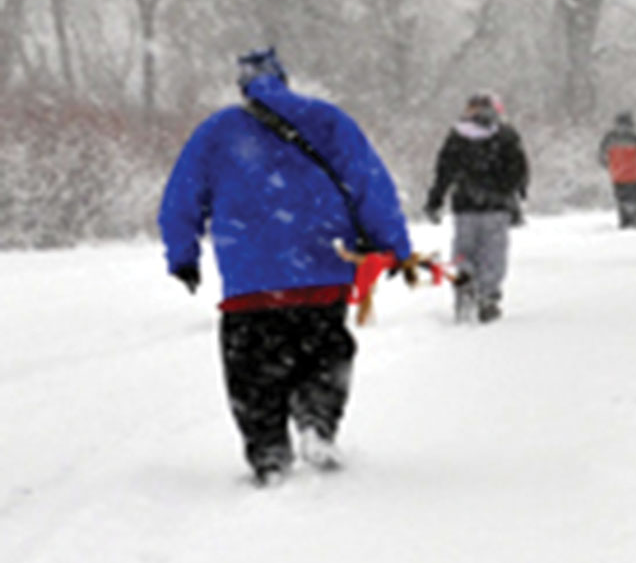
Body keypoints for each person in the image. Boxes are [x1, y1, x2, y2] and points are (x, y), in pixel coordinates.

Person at [158, 47, 413, 484]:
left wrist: (183, 255)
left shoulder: (217, 131)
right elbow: (370, 183)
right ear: (285, 79)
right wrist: (395, 245)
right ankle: (318, 424)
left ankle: (270, 453)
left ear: (243, 87)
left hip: (251, 282)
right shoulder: (327, 120)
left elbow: (181, 198)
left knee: (252, 372)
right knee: (325, 354)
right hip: (322, 271)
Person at [425, 92, 529, 322]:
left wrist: (435, 200)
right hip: (496, 206)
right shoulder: (506, 135)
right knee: (493, 253)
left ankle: (465, 280)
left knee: (464, 247)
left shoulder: (457, 136)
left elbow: (444, 172)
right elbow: (519, 169)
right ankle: (488, 296)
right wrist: (515, 192)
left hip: (465, 205)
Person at [598, 110, 636, 228]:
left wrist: (610, 166)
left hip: (619, 175)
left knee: (622, 198)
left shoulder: (610, 138)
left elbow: (602, 156)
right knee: (634, 198)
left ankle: (626, 220)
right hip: (634, 174)